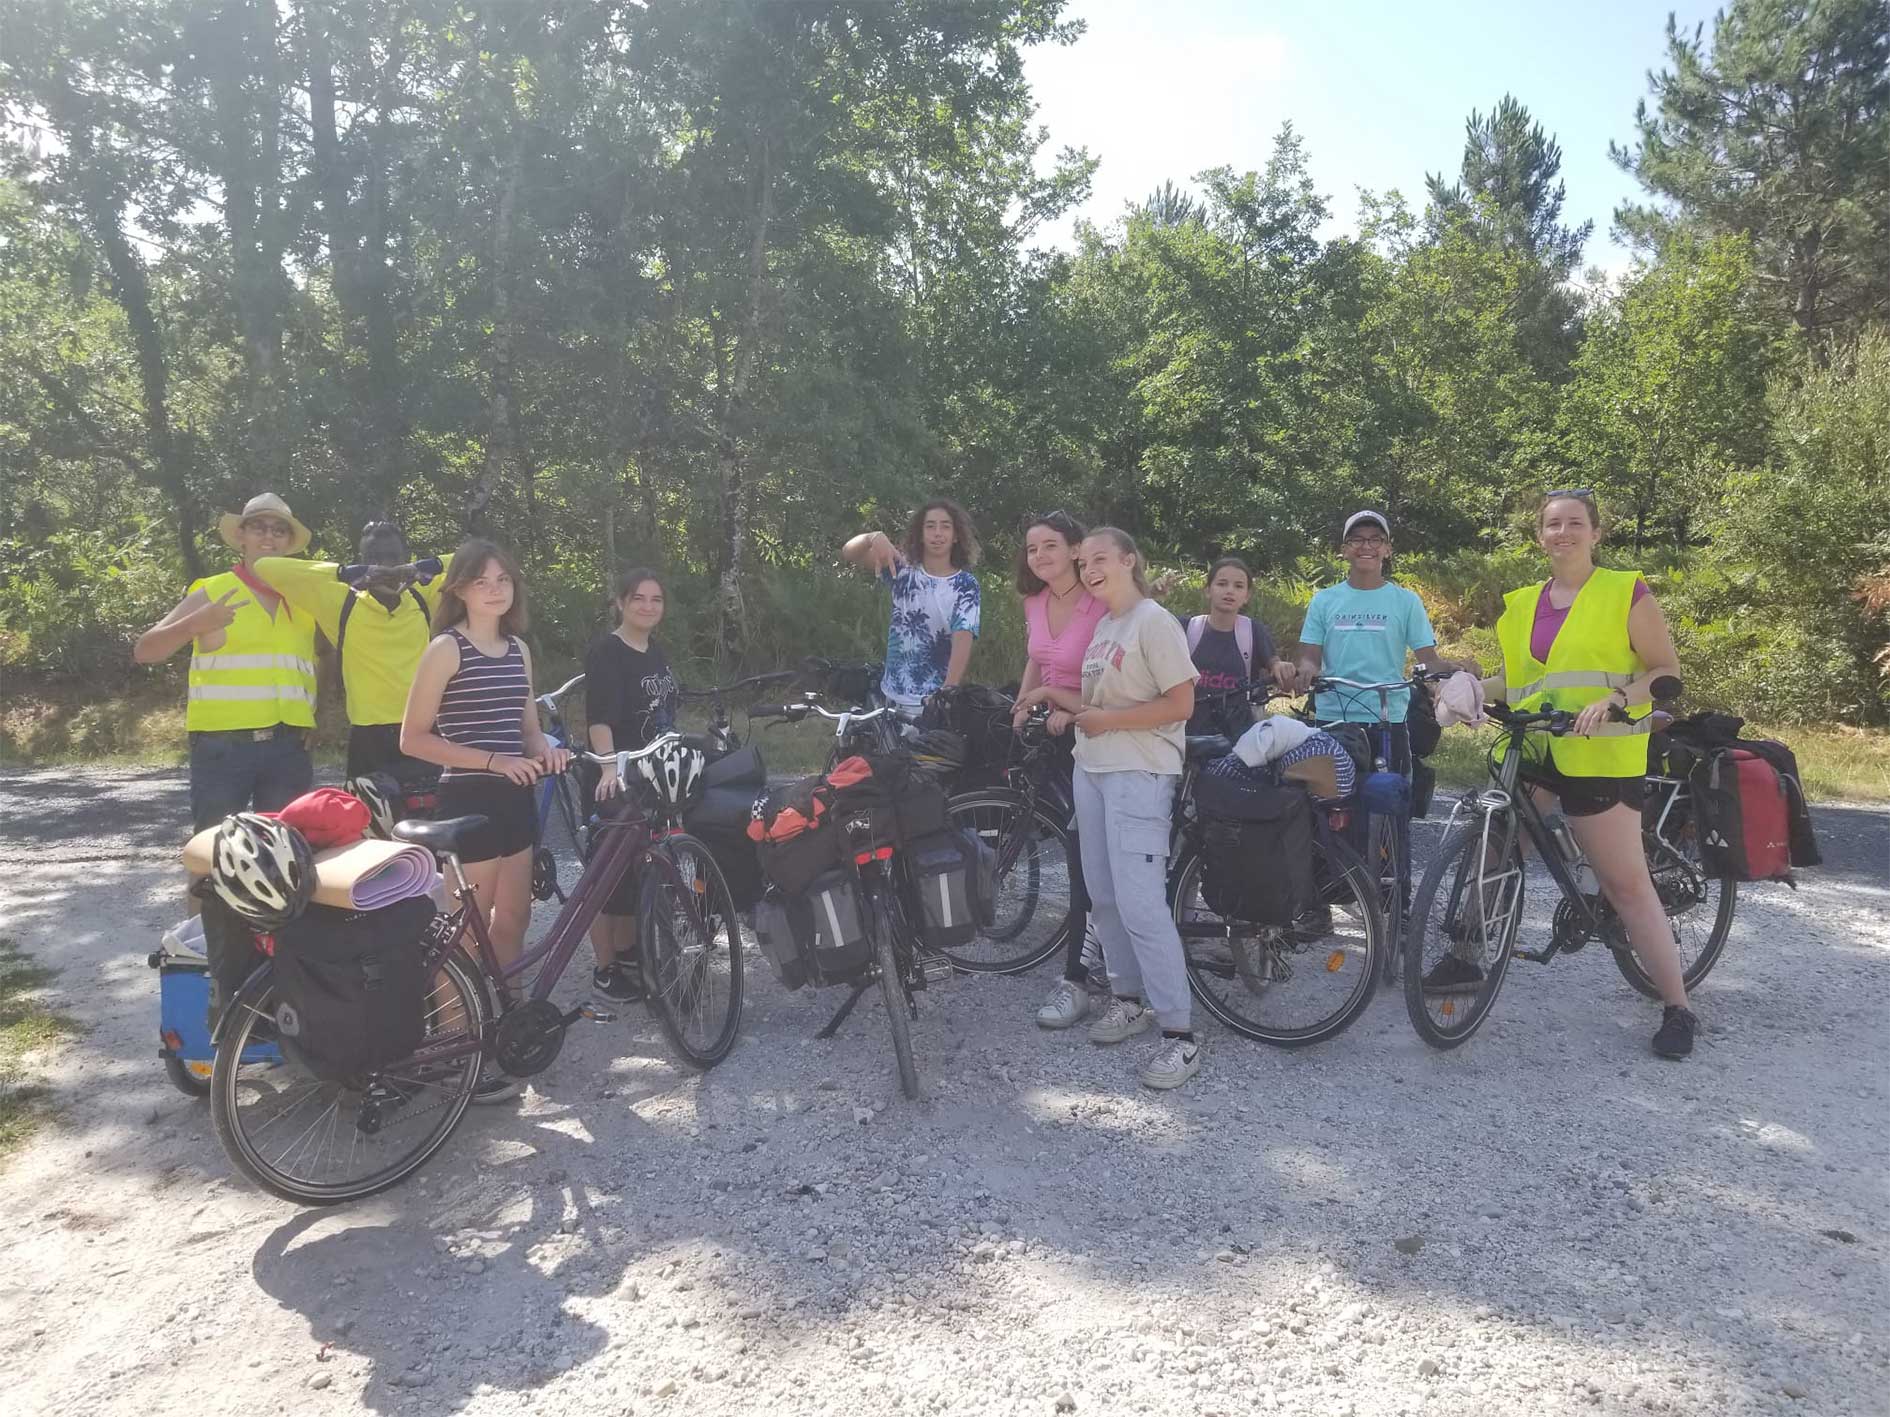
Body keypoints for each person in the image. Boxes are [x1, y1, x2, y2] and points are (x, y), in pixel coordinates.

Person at [1439, 489, 1697, 1059]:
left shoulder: (1624, 591)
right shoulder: (1521, 604)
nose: (1563, 533)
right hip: (1535, 746)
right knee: (1495, 851)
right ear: (1539, 536)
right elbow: (1522, 682)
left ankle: (1678, 1007)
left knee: (1625, 886)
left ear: (1595, 533)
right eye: (1553, 524)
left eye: (1575, 523)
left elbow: (1664, 671)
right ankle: (1465, 956)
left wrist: (1617, 698)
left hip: (1601, 753)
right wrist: (1470, 688)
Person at [1019, 527, 1202, 1091]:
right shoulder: (1104, 628)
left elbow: (1181, 703)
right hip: (1092, 769)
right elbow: (1095, 704)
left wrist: (1109, 721)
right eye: (1085, 562)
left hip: (1139, 772)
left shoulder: (1154, 621)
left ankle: (1180, 1034)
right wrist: (1049, 696)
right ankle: (1127, 999)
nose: (1090, 569)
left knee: (1141, 901)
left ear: (1129, 561)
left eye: (1101, 559)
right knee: (1103, 896)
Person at [400, 538, 570, 1101]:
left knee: (514, 918)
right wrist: (495, 761)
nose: (495, 590)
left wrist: (547, 752)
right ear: (459, 589)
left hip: (515, 798)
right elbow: (413, 739)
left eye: (503, 580)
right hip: (468, 801)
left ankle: (505, 1025)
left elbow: (528, 729)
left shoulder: (518, 649)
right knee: (465, 933)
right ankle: (457, 1051)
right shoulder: (446, 649)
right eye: (482, 581)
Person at [134, 493, 317, 832]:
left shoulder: (303, 598)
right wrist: (194, 624)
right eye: (259, 527)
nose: (269, 536)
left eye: (279, 530)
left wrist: (314, 718)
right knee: (214, 849)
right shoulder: (213, 590)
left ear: (288, 542)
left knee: (285, 849)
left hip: (289, 749)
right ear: (241, 536)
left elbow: (321, 658)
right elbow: (145, 651)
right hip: (223, 748)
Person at [1006, 511, 1110, 1030]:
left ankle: (1079, 977)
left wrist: (1071, 709)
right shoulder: (1035, 602)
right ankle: (1097, 954)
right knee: (1078, 851)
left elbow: (1113, 674)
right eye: (1032, 548)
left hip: (1096, 731)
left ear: (1075, 550)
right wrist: (1023, 700)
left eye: (1050, 545)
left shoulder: (1101, 603)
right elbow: (1038, 659)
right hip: (1052, 729)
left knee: (1083, 858)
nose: (1039, 556)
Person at [254, 520, 442, 780]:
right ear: (362, 561)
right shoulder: (341, 601)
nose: (385, 567)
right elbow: (265, 567)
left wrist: (425, 567)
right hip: (368, 736)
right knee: (365, 807)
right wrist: (344, 572)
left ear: (406, 558)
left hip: (425, 729)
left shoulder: (425, 595)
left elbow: (480, 561)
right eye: (374, 559)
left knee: (434, 806)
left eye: (393, 558)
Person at [1292, 511, 1473, 766]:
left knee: (1392, 788)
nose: (1366, 546)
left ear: (1387, 549)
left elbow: (1429, 660)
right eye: (1357, 539)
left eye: (1375, 539)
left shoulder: (1406, 601)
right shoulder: (1324, 600)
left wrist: (1456, 669)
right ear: (1344, 550)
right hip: (1333, 715)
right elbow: (1310, 657)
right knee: (1328, 790)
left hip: (1389, 716)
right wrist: (1306, 671)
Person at [582, 568, 681, 1001]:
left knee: (636, 871)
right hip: (617, 775)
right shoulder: (607, 651)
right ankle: (605, 969)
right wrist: (609, 768)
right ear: (621, 602)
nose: (647, 606)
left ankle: (627, 954)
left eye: (656, 599)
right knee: (606, 879)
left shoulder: (654, 651)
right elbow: (599, 720)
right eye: (638, 598)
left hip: (653, 774)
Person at [841, 497, 982, 713]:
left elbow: (963, 638)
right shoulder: (901, 570)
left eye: (945, 526)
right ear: (921, 534)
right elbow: (849, 552)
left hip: (931, 704)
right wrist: (873, 537)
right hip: (888, 696)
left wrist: (947, 693)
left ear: (956, 536)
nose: (937, 533)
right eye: (930, 526)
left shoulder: (965, 585)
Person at [1154, 557, 1295, 736]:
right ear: (1207, 590)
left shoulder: (1253, 631)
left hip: (1239, 739)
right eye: (1222, 584)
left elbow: (1275, 664)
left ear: (1247, 596)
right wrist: (1149, 595)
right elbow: (1142, 630)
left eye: (1238, 586)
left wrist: (1282, 669)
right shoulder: (1185, 628)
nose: (1230, 591)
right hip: (1186, 737)